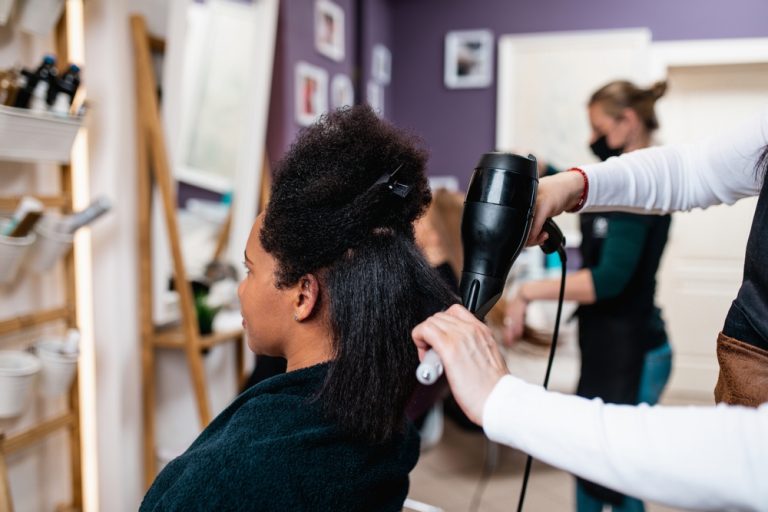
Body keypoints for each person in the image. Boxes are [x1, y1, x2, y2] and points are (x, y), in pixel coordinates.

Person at [411, 106, 768, 511]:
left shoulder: (633, 223)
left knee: (616, 487)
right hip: (628, 346)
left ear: (628, 120)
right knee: (593, 483)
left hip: (634, 346)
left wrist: (505, 402)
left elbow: (751, 457)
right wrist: (565, 185)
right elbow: (695, 170)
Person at [140, 105, 457, 511]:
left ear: (304, 295)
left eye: (250, 270)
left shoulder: (232, 474)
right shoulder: (387, 427)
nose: (241, 290)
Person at [504, 80, 672, 511]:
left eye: (598, 128)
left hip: (636, 349)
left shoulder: (643, 187)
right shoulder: (621, 178)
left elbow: (607, 280)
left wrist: (525, 293)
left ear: (628, 121)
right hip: (606, 343)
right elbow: (591, 191)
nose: (593, 139)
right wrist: (545, 168)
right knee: (589, 464)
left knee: (618, 472)